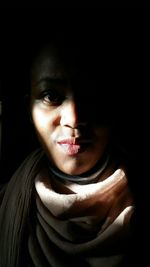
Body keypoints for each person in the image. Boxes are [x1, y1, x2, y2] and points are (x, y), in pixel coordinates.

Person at [0, 32, 138, 267]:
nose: (73, 119)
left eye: (92, 94)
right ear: (28, 110)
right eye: (51, 96)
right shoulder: (4, 203)